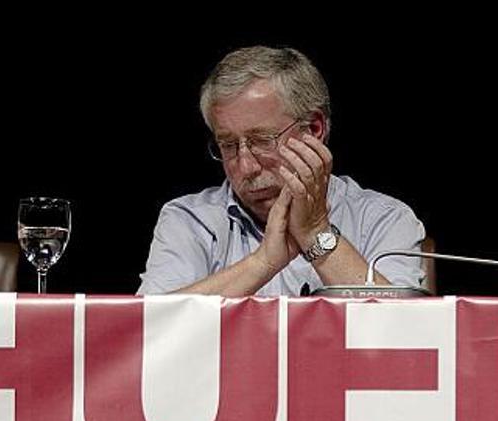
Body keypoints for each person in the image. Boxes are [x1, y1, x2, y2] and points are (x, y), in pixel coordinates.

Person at [138, 46, 426, 296]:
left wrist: (317, 235)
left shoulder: (384, 218)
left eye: (262, 141)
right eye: (228, 145)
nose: (247, 167)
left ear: (314, 130)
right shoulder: (190, 220)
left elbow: (399, 334)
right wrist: (263, 262)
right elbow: (151, 329)